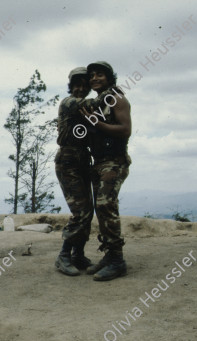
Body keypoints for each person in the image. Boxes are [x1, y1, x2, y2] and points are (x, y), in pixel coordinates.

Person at [80, 61, 132, 281]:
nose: (94, 79)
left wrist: (97, 124)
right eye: (91, 76)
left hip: (115, 161)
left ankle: (117, 260)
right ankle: (110, 256)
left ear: (110, 78)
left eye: (100, 75)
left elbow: (125, 130)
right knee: (102, 209)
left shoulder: (117, 99)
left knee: (105, 205)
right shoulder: (97, 102)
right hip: (99, 162)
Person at [54, 67, 96, 276]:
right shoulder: (69, 103)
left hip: (82, 159)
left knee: (88, 210)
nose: (80, 89)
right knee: (81, 211)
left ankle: (78, 254)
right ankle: (63, 255)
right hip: (68, 160)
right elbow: (96, 103)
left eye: (84, 85)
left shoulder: (86, 111)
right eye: (76, 85)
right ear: (71, 87)